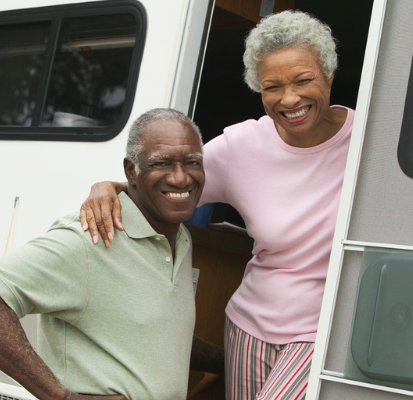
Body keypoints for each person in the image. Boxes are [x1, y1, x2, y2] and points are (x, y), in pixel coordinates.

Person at [79, 11, 354, 400]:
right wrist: (109, 187)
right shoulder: (241, 147)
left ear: (328, 74)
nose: (289, 99)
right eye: (272, 87)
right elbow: (169, 187)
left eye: (303, 80)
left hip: (325, 329)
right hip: (249, 325)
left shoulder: (367, 140)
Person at [0, 108, 223, 400]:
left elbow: (161, 337)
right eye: (162, 163)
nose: (181, 178)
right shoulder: (90, 238)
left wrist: (232, 361)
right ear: (132, 171)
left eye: (192, 162)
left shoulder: (180, 238)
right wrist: (62, 397)